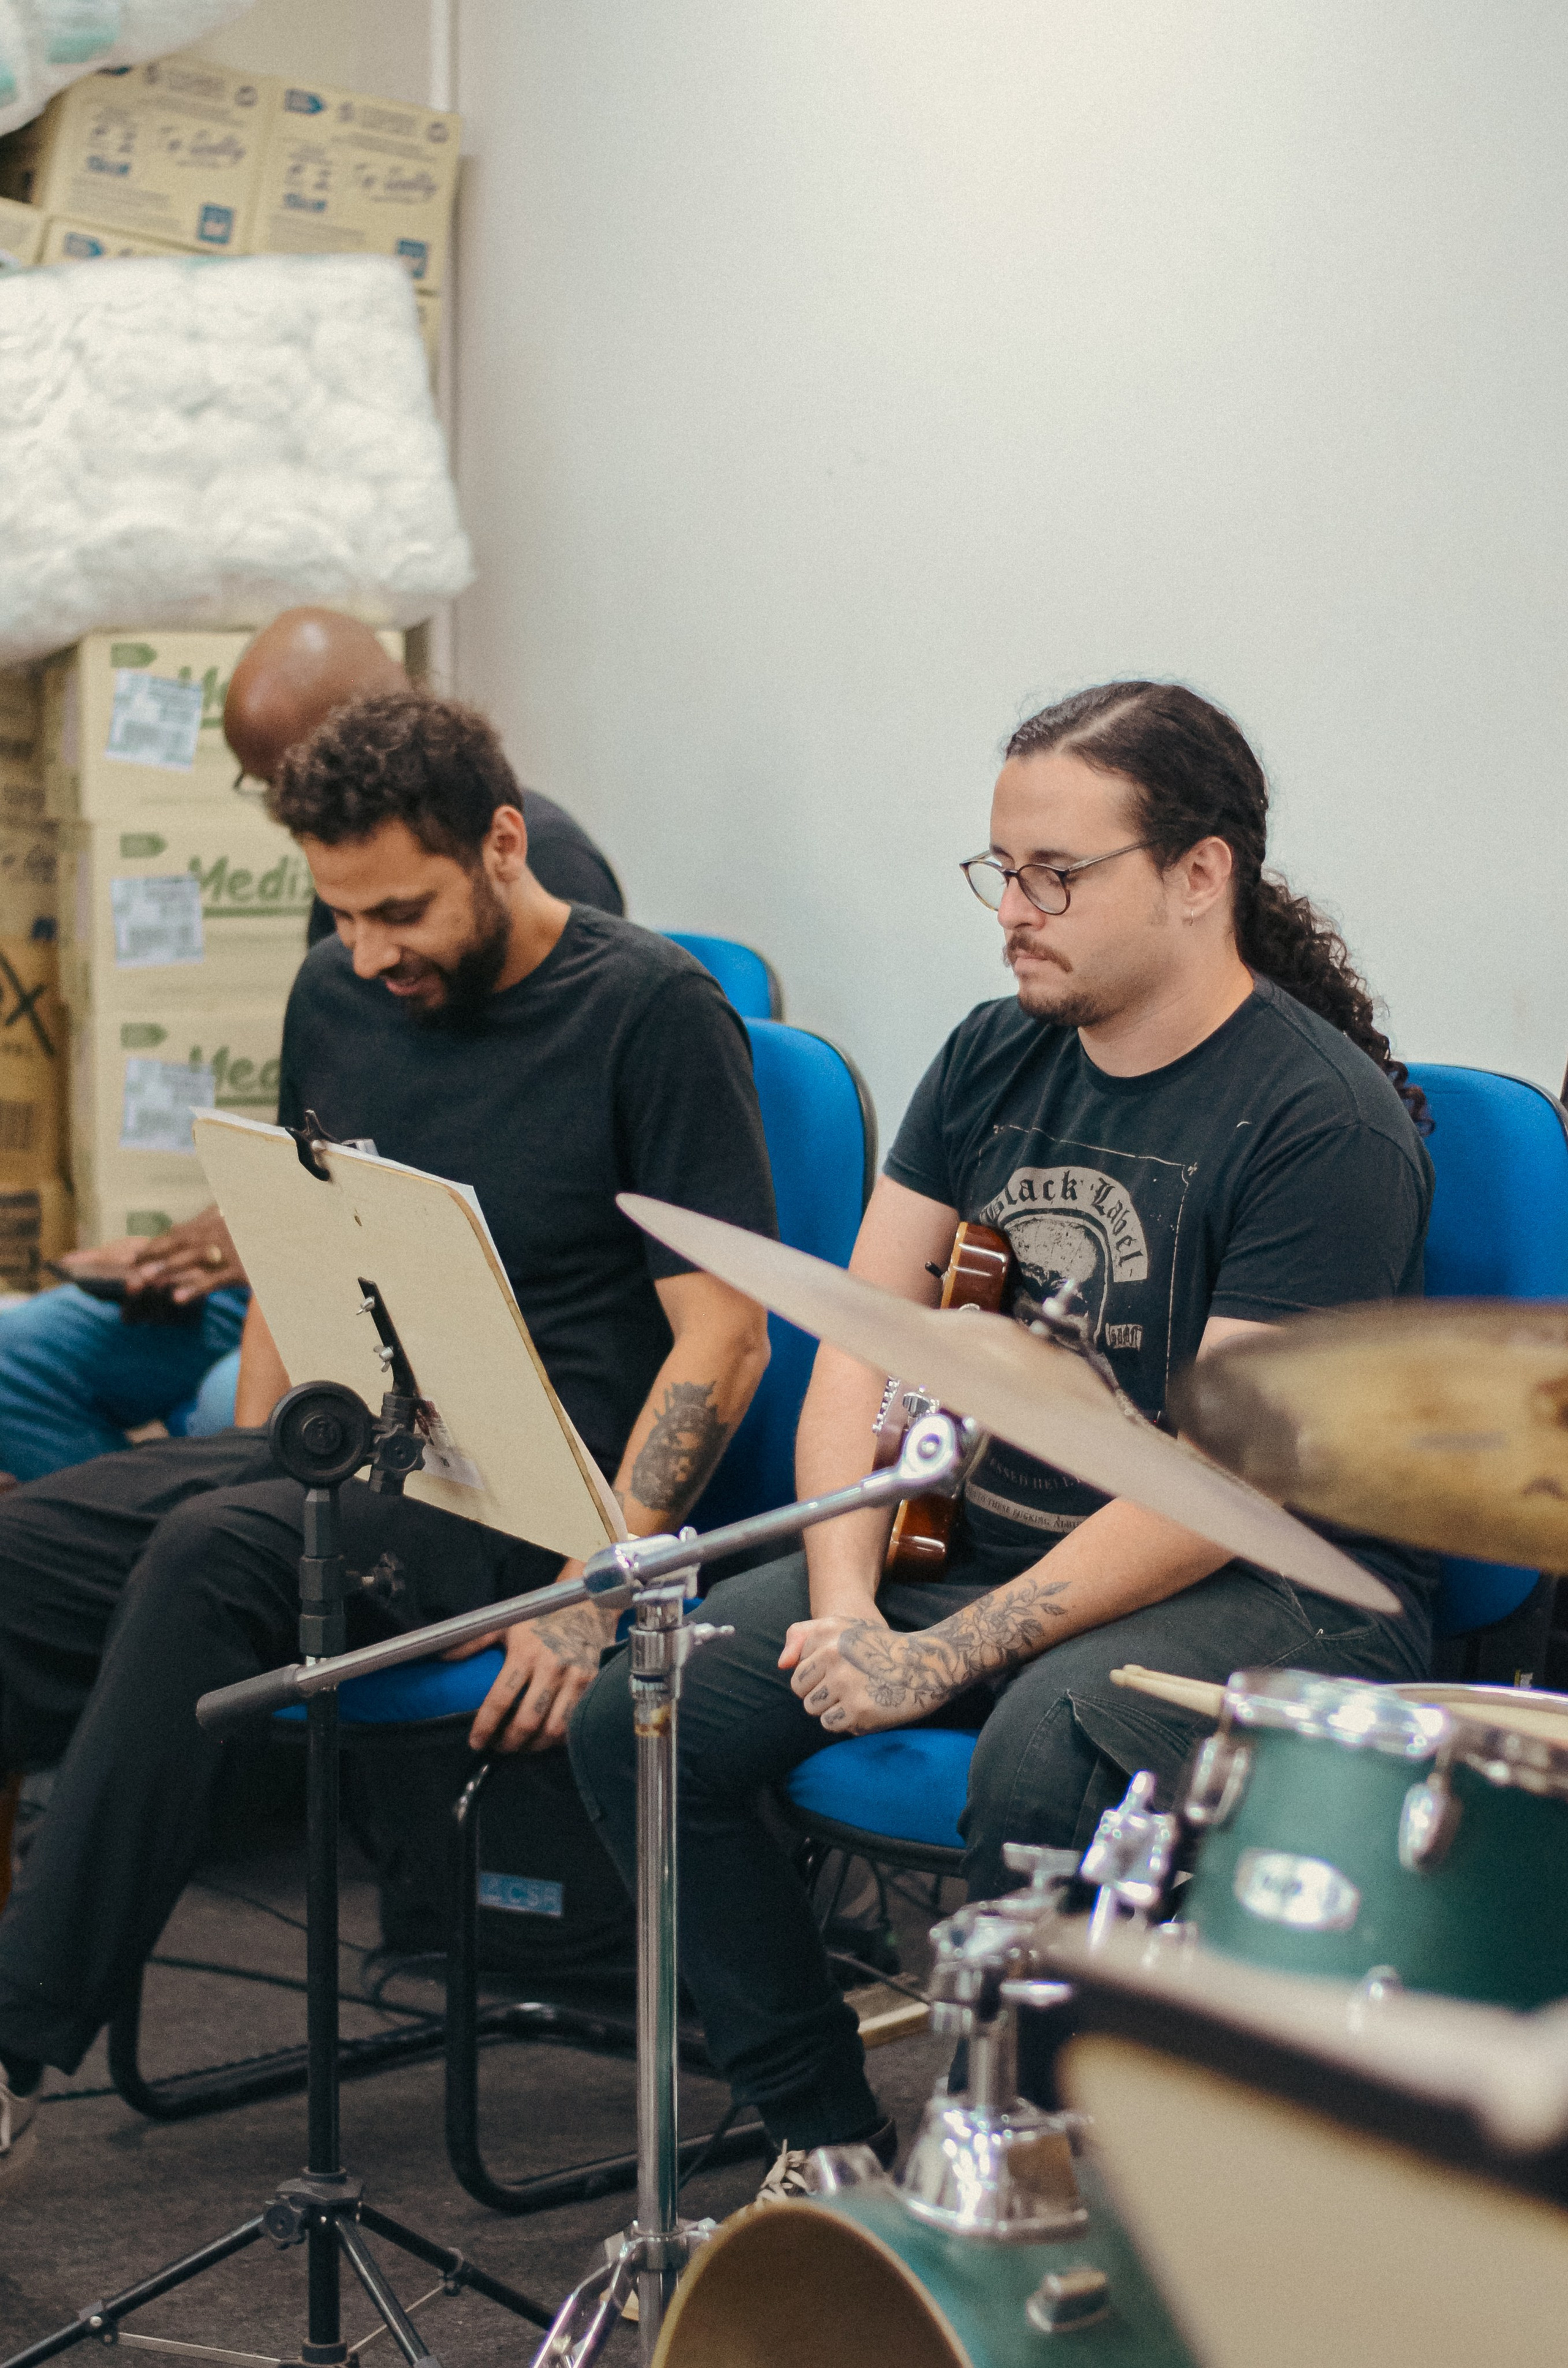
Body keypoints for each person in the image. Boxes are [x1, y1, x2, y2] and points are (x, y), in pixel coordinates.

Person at [571, 678, 1438, 2195]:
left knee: (1042, 1754)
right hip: (984, 1539)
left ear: (1195, 875)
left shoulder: (1318, 1121)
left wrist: (938, 1655)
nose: (1012, 913)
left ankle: (1013, 2187)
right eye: (1000, 872)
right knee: (645, 1714)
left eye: (1055, 876)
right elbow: (857, 1337)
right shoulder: (991, 1052)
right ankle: (822, 2138)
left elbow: (1212, 1482)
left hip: (1275, 1582)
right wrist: (845, 1607)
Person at [0, 689, 774, 2187]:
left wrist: (599, 1572)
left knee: (217, 1551)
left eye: (401, 909)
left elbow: (724, 1336)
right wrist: (251, 1440)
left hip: (528, 1479)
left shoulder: (652, 1010)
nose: (370, 951)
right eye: (340, 914)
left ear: (501, 842)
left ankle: (15, 2033)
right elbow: (297, 1248)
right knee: (27, 1548)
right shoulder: (335, 992)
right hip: (346, 1448)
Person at [0, 610, 625, 1485]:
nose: (367, 946)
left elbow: (505, 1182)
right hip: (308, 1263)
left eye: (284, 780)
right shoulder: (351, 905)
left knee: (238, 1408)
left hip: (409, 1300)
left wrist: (286, 1253)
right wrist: (233, 1234)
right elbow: (330, 1135)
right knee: (14, 1357)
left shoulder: (543, 885)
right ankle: (154, 1541)